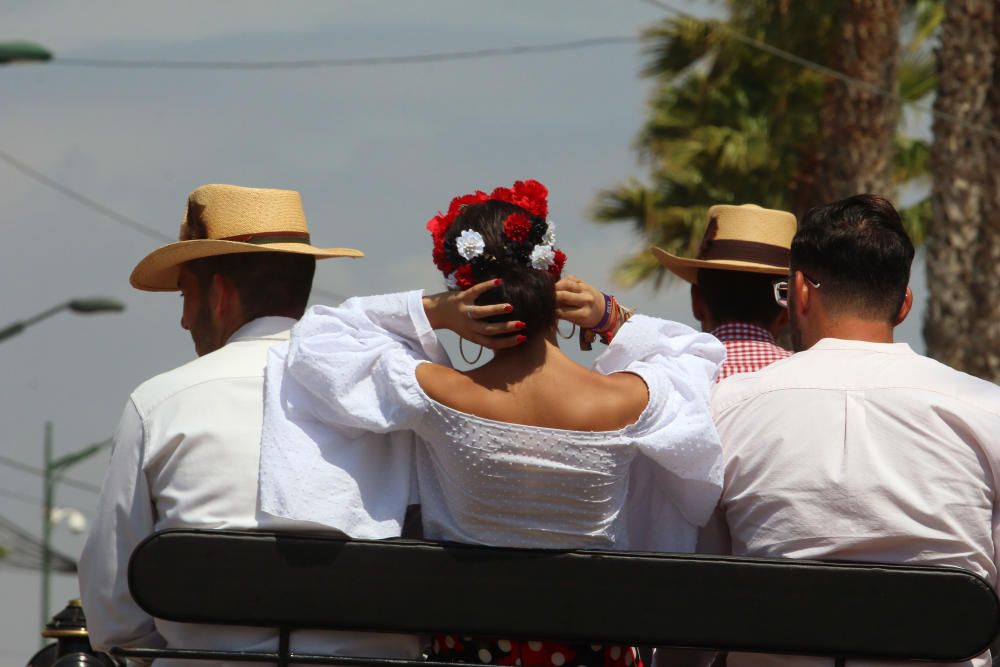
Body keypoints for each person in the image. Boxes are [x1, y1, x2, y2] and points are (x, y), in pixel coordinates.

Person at [259, 180, 727, 667]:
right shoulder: (625, 400)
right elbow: (692, 352)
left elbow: (320, 339)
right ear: (553, 282)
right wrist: (609, 316)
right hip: (595, 652)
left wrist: (434, 312)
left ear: (470, 294)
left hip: (470, 653)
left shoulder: (440, 394)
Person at [78, 184, 423, 666]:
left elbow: (114, 616)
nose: (182, 320)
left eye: (185, 294)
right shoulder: (393, 398)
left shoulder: (160, 403)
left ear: (219, 294)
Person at [705, 194, 1000, 667]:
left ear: (799, 291)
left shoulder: (726, 408)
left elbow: (702, 589)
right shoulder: (987, 411)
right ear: (903, 305)